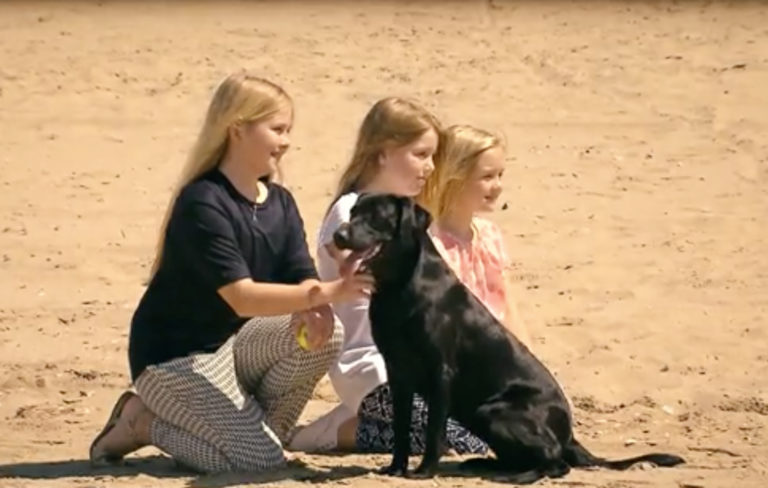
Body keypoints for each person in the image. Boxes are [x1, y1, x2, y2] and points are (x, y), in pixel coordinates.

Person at [88, 71, 372, 473]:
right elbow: (242, 296)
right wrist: (326, 294)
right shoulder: (203, 202)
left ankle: (254, 439)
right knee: (259, 460)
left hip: (235, 349)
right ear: (237, 129)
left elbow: (299, 271)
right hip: (174, 359)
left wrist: (318, 305)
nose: (286, 141)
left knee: (328, 334)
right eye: (276, 129)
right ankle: (142, 421)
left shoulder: (280, 201)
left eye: (288, 129)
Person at [287, 98, 489, 456]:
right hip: (370, 367)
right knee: (462, 444)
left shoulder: (403, 215)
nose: (428, 167)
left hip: (420, 361)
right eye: (420, 154)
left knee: (492, 429)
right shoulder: (351, 211)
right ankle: (337, 431)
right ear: (382, 153)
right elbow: (344, 255)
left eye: (432, 157)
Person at [421, 124, 533, 347]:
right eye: (487, 176)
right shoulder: (431, 244)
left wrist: (529, 357)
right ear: (455, 177)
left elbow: (508, 307)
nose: (498, 186)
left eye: (500, 175)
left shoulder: (489, 235)